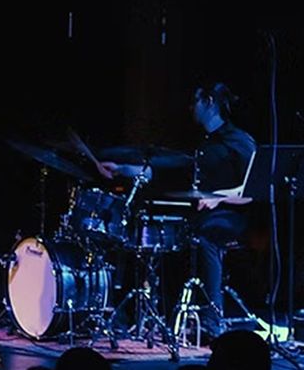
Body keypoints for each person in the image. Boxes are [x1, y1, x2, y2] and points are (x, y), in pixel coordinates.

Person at [101, 82, 256, 337]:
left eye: (194, 102)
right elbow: (153, 171)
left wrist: (219, 198)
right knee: (154, 233)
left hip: (232, 215)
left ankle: (211, 320)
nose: (190, 108)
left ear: (209, 102)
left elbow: (252, 189)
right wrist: (121, 169)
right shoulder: (202, 145)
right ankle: (153, 314)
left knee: (206, 237)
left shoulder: (239, 141)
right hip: (200, 215)